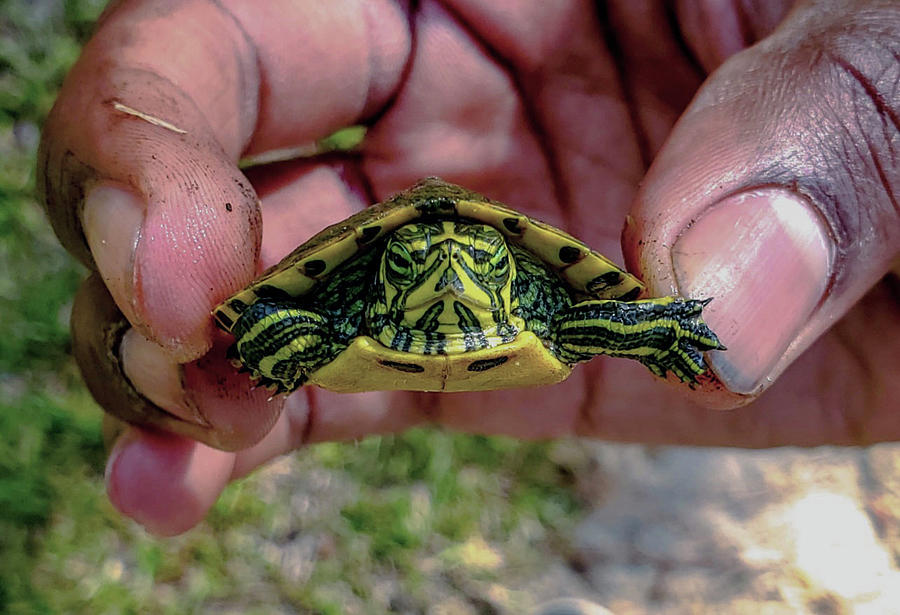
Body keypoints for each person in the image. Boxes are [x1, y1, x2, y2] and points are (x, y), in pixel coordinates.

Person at [38, 0, 899, 537]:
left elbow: (603, 306)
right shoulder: (352, 306)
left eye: (472, 251)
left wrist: (665, 325)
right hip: (374, 321)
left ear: (502, 262)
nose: (447, 255)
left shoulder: (542, 306)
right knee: (195, 336)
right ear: (388, 264)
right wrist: (256, 334)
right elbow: (267, 317)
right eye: (420, 252)